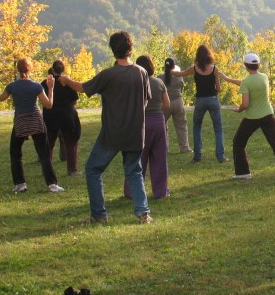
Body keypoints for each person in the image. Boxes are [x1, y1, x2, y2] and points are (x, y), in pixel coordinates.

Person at [59, 31, 153, 224]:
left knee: (93, 169)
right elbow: (146, 101)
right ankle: (143, 213)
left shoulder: (109, 75)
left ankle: (99, 215)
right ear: (130, 48)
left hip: (112, 133)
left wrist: (66, 80)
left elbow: (83, 88)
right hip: (135, 132)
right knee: (134, 172)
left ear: (112, 50)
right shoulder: (141, 73)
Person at [220, 53, 275, 181]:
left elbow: (245, 103)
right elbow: (246, 84)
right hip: (268, 116)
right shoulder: (264, 77)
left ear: (245, 66)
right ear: (258, 65)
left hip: (252, 118)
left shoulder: (247, 81)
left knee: (238, 142)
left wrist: (239, 110)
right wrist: (228, 79)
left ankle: (243, 173)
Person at [0, 58, 65, 194]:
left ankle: (20, 184)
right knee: (44, 153)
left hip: (20, 120)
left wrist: (12, 91)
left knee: (15, 152)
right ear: (30, 69)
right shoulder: (36, 86)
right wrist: (51, 88)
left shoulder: (12, 86)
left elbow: (1, 98)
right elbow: (48, 105)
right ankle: (52, 184)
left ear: (17, 69)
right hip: (35, 119)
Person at [123, 55, 170, 199]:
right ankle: (161, 192)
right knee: (159, 158)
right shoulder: (159, 83)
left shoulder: (133, 83)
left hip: (140, 123)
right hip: (158, 122)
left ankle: (131, 191)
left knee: (137, 158)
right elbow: (167, 105)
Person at [172, 45, 228, 163]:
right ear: (209, 56)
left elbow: (180, 74)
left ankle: (197, 156)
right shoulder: (214, 69)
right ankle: (221, 156)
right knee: (218, 129)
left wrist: (170, 70)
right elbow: (218, 88)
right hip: (213, 99)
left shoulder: (194, 69)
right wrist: (215, 91)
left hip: (200, 100)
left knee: (197, 127)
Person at [42, 60, 82, 176]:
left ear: (52, 69)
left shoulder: (45, 83)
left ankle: (47, 169)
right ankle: (72, 169)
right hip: (67, 115)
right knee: (71, 143)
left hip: (50, 116)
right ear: (63, 70)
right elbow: (74, 100)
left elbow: (42, 99)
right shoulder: (68, 83)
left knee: (49, 144)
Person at [162, 57, 191, 153]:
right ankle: (185, 147)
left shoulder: (159, 78)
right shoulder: (179, 78)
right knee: (181, 125)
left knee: (162, 125)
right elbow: (181, 89)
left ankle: (164, 148)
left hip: (165, 104)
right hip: (178, 102)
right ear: (174, 66)